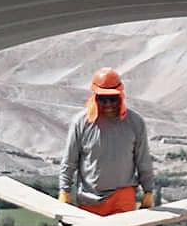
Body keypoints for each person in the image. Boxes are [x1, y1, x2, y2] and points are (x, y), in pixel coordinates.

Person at [59, 67, 155, 216]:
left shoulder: (135, 122)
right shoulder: (81, 123)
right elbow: (69, 161)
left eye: (113, 99)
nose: (108, 104)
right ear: (95, 97)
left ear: (121, 96)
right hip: (90, 198)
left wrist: (148, 190)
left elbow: (143, 160)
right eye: (103, 99)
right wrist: (64, 191)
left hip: (123, 196)